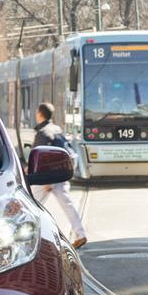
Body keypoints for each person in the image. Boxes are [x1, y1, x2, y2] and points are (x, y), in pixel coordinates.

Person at [31, 102, 86, 248]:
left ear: (40, 114)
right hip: (61, 172)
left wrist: (47, 179)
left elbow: (43, 157)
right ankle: (81, 234)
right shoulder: (56, 129)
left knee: (31, 204)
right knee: (67, 204)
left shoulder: (43, 133)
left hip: (48, 177)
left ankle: (31, 238)